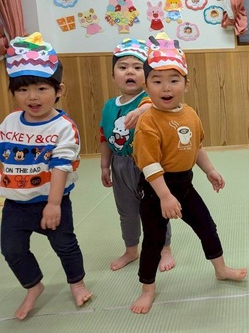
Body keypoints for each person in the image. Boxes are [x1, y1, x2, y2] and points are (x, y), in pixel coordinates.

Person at [131, 32, 246, 314]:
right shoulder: (148, 121)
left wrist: (210, 170)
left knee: (207, 225)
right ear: (146, 86)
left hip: (184, 184)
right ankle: (148, 288)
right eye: (157, 81)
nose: (165, 88)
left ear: (186, 84)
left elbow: (196, 147)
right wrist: (165, 197)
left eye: (174, 80)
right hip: (156, 189)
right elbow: (150, 165)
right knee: (154, 240)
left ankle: (221, 269)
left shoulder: (190, 114)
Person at [0, 32, 92, 320]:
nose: (32, 97)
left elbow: (61, 166)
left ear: (58, 89)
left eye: (41, 88)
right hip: (15, 204)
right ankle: (33, 286)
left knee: (65, 245)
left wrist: (53, 204)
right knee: (11, 249)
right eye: (23, 89)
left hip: (51, 201)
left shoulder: (63, 127)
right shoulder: (10, 121)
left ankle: (77, 283)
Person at [99, 38, 174, 271]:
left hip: (147, 164)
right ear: (113, 75)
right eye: (123, 67)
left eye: (137, 67)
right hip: (119, 165)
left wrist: (140, 111)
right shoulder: (109, 106)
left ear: (147, 76)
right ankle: (131, 249)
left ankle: (165, 248)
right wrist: (104, 165)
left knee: (156, 208)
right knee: (127, 212)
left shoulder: (148, 100)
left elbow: (153, 106)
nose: (129, 72)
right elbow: (104, 137)